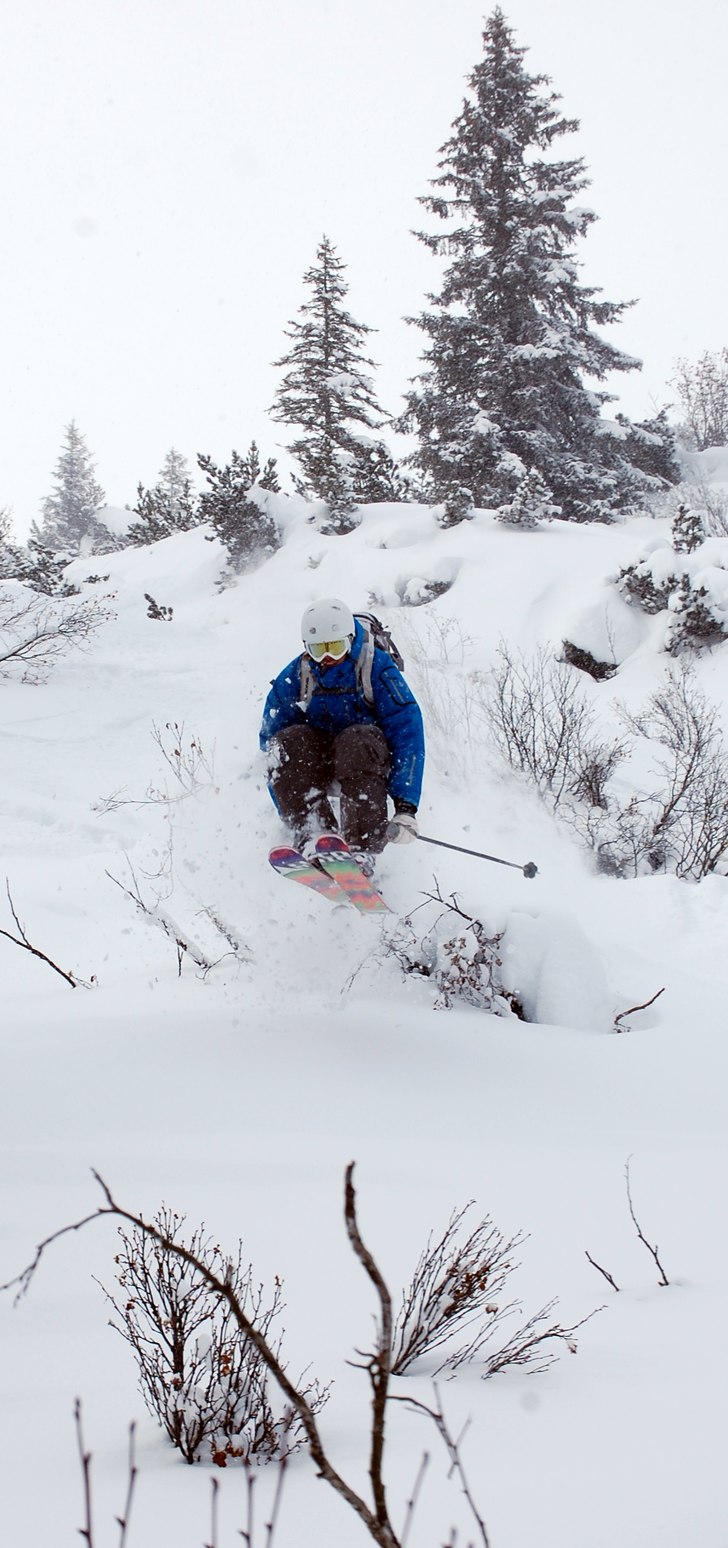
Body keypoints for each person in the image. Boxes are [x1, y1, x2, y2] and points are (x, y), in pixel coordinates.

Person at [260, 597, 424, 865]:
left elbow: (407, 731)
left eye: (335, 648)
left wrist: (406, 806)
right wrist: (288, 803)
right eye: (317, 650)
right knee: (286, 743)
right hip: (320, 760)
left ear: (350, 639)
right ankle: (313, 834)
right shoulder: (299, 673)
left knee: (357, 740)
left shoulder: (377, 668)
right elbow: (272, 746)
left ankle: (362, 848)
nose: (327, 658)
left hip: (367, 759)